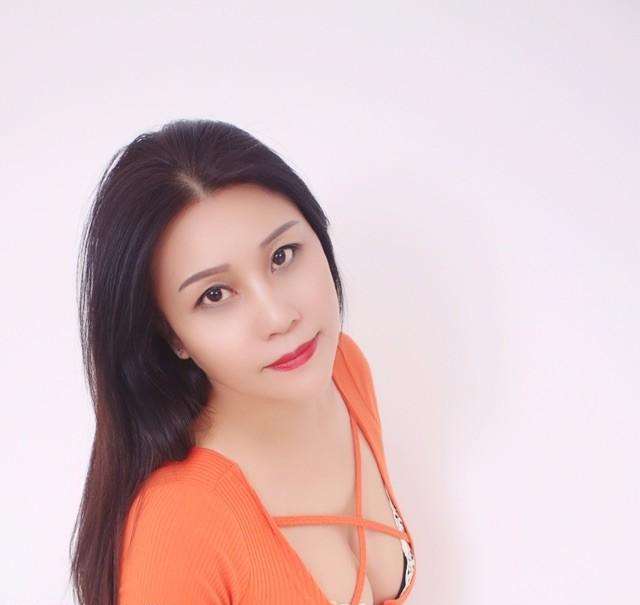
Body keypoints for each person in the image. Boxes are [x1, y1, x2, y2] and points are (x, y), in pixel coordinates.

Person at [68, 119, 416, 605]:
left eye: (283, 256)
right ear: (172, 335)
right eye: (215, 294)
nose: (279, 317)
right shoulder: (178, 531)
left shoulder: (343, 369)